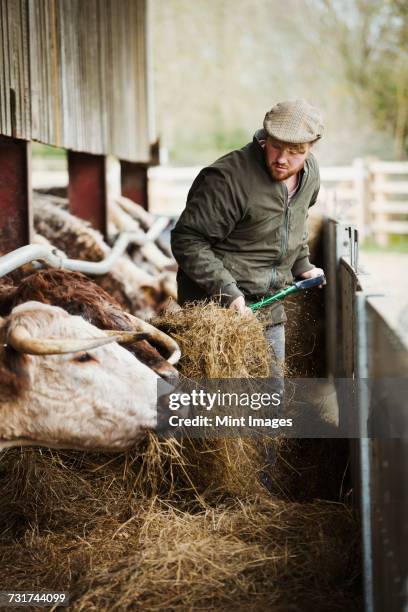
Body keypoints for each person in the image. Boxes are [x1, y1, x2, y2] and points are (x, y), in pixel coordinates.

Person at [170, 99, 325, 376]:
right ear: (266, 136)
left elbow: (296, 221)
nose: (281, 158)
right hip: (214, 314)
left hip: (269, 305)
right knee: (219, 404)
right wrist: (227, 293)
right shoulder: (227, 179)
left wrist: (302, 264)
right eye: (276, 145)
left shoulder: (310, 174)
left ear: (311, 146)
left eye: (295, 151)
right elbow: (188, 240)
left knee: (270, 397)